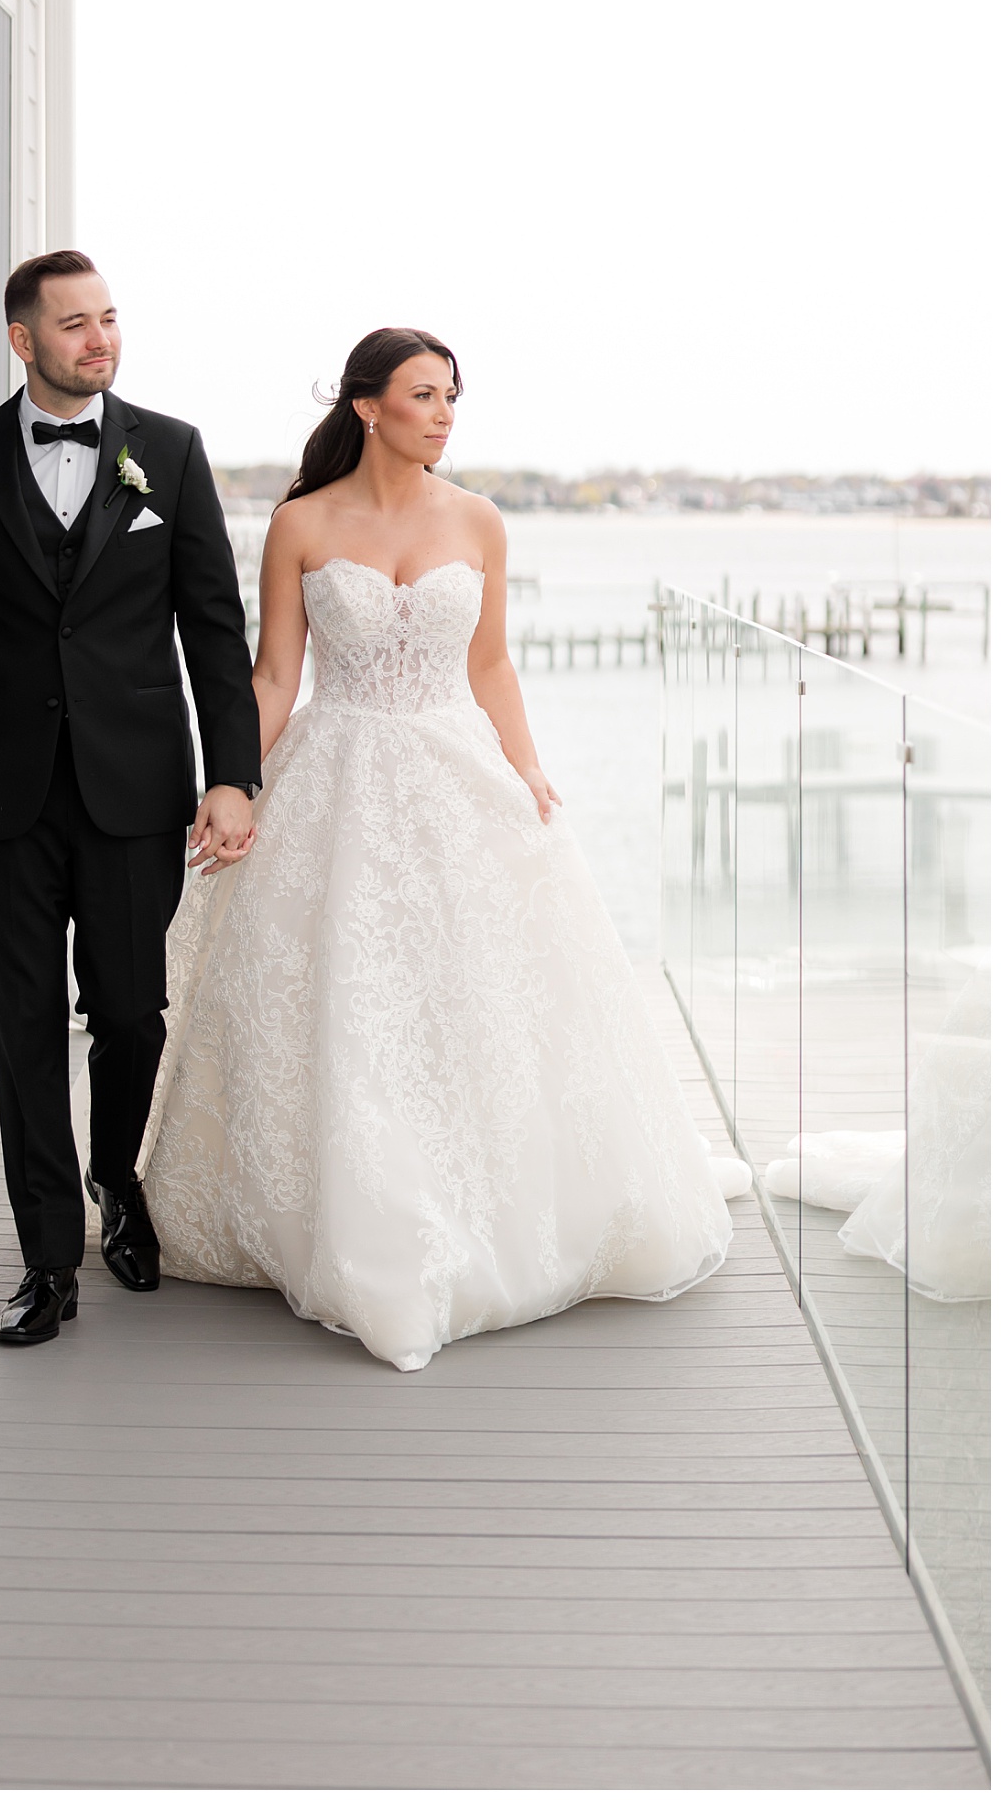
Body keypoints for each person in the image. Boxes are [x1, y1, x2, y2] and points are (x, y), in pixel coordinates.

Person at [141, 327, 736, 1372]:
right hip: (334, 774)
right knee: (347, 997)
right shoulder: (298, 523)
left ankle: (487, 1205)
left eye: (451, 396)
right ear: (366, 406)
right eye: (422, 395)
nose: (443, 413)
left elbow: (492, 664)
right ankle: (354, 1215)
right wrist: (230, 780)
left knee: (474, 994)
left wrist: (529, 767)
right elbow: (274, 675)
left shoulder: (479, 520)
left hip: (454, 770)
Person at [0, 251, 261, 1346]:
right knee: (19, 1032)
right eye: (72, 325)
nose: (97, 340)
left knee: (131, 1015)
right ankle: (45, 1262)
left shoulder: (171, 452)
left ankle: (121, 1191)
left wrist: (232, 775)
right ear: (23, 341)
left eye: (107, 320)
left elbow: (212, 627)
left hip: (133, 789)